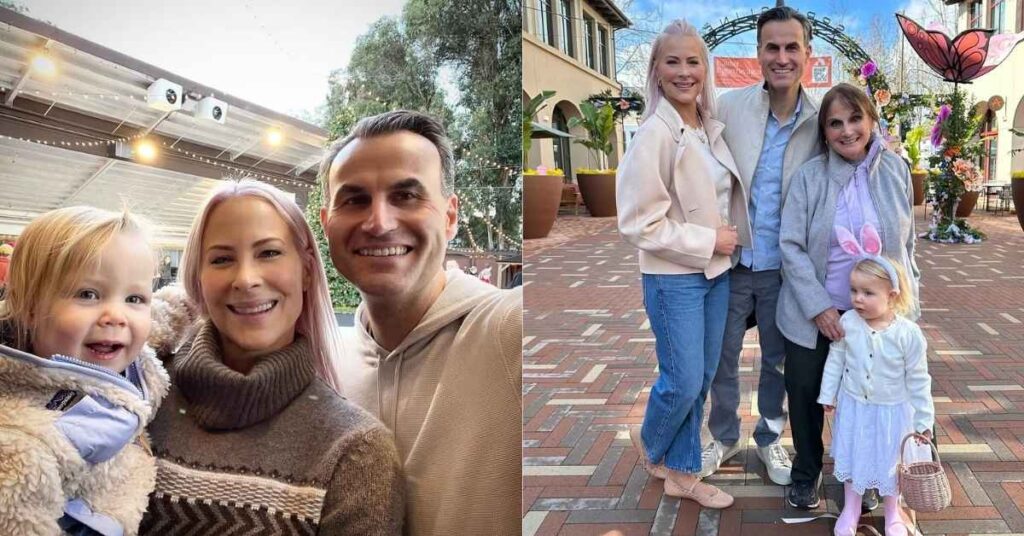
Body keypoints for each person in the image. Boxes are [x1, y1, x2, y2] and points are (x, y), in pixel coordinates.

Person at [140, 180, 404, 535]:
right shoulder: (137, 396)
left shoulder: (356, 452)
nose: (246, 279)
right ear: (197, 279)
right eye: (221, 259)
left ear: (307, 270)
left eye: (269, 253)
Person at [318, 110, 522, 535]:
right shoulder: (323, 367)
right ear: (327, 224)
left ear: (450, 217)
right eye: (354, 199)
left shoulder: (506, 329)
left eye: (406, 196)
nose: (379, 222)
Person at [617, 19, 751, 509]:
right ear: (655, 70)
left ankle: (681, 473)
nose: (684, 71)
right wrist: (709, 239)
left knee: (702, 377)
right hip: (675, 278)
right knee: (684, 379)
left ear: (705, 67)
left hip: (715, 274)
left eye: (693, 61)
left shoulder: (704, 126)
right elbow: (637, 223)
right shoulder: (654, 133)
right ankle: (653, 443)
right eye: (672, 61)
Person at [778, 82, 920, 510]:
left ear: (871, 121)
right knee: (805, 389)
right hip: (815, 310)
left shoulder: (896, 170)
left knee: (872, 395)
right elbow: (790, 245)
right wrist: (820, 307)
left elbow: (907, 246)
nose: (846, 130)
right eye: (834, 123)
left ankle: (866, 473)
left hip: (877, 314)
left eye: (855, 118)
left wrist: (907, 309)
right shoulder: (810, 177)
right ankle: (807, 471)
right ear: (824, 133)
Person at [702, 6, 823, 488]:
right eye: (771, 47)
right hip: (732, 262)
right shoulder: (729, 107)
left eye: (791, 47)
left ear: (807, 54)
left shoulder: (819, 118)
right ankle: (725, 434)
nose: (781, 57)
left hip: (786, 269)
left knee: (778, 360)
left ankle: (770, 439)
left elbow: (858, 146)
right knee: (721, 357)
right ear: (758, 53)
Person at [0, 207, 169, 536]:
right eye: (88, 294)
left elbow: (166, 314)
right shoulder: (22, 450)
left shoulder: (134, 359)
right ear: (30, 306)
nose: (117, 316)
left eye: (134, 297)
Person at [818, 238, 933, 536]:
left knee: (890, 460)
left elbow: (920, 380)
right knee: (855, 454)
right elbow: (836, 359)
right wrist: (828, 393)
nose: (857, 298)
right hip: (856, 406)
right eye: (854, 290)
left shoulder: (908, 335)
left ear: (892, 296)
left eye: (868, 293)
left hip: (893, 411)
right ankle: (851, 507)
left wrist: (924, 420)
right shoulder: (850, 323)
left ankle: (893, 511)